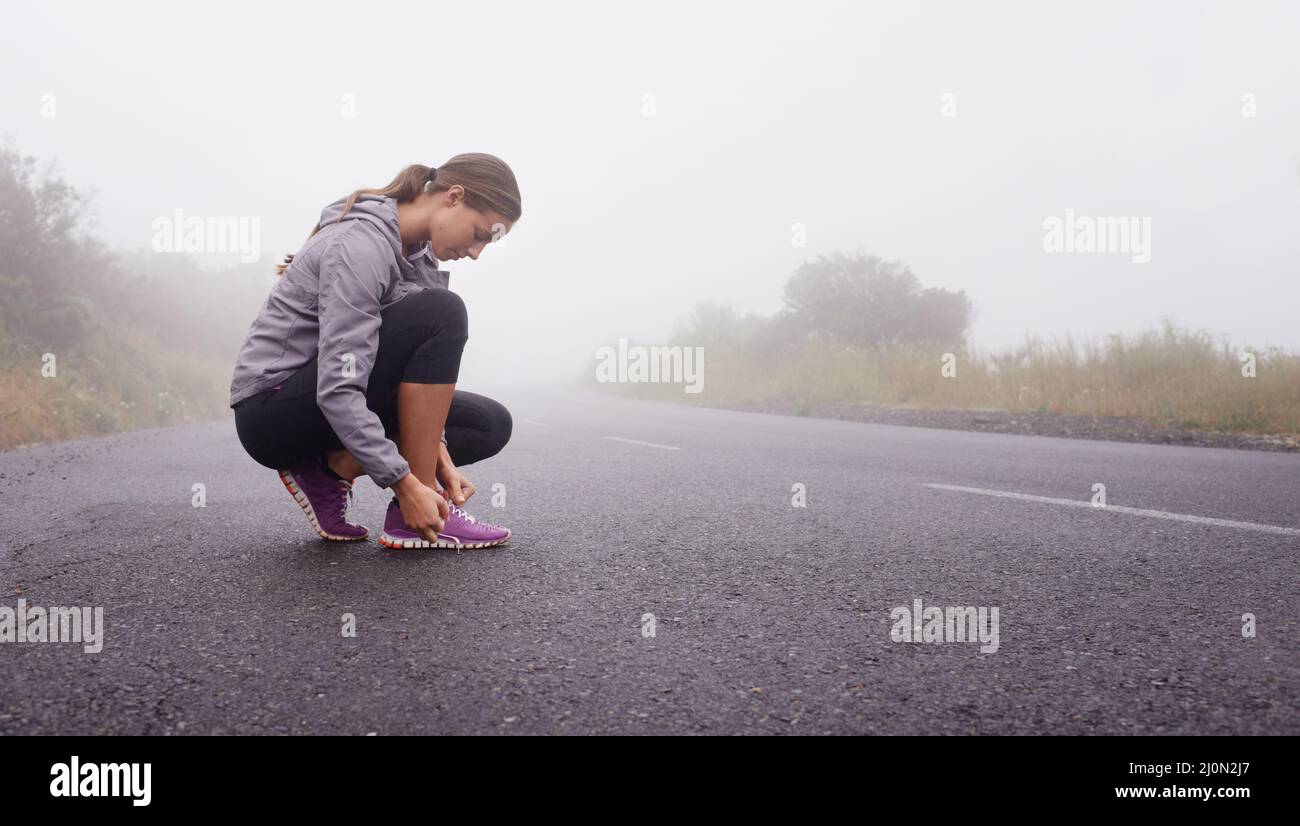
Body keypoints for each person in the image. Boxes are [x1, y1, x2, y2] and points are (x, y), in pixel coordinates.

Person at [229, 155, 520, 550]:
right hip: (272, 411)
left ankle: (329, 470)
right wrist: (406, 484)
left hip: (322, 403)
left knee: (489, 423)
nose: (476, 253)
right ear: (454, 197)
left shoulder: (417, 254)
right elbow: (338, 386)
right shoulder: (359, 246)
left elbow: (413, 376)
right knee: (444, 311)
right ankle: (410, 517)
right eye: (481, 235)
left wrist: (441, 459)